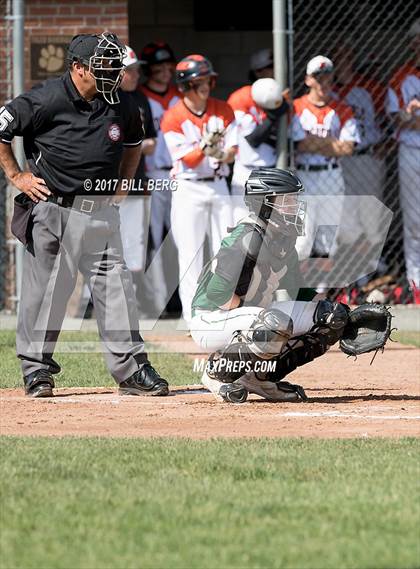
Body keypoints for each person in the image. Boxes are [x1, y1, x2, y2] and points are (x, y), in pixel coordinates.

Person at [0, 32, 169, 397]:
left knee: (118, 290)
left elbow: (133, 144)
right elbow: (2, 128)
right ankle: (37, 371)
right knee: (47, 293)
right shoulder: (46, 98)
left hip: (102, 213)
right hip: (54, 208)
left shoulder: (120, 103)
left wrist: (124, 182)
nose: (113, 72)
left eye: (113, 65)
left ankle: (131, 370)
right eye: (103, 66)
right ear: (78, 68)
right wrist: (17, 175)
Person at [190, 167, 349, 403]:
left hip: (250, 317)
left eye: (293, 199)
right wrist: (256, 321)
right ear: (263, 204)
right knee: (274, 323)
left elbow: (297, 291)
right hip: (211, 318)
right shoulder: (246, 238)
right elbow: (216, 293)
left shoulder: (283, 237)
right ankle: (218, 373)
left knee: (330, 316)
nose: (293, 206)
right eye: (286, 200)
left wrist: (346, 314)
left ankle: (259, 377)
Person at [161, 54, 238, 328]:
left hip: (218, 186)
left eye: (207, 79)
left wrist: (217, 150)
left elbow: (232, 153)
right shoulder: (173, 116)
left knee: (227, 250)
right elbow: (188, 159)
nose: (205, 85)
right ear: (186, 85)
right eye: (199, 81)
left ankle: (224, 313)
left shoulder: (223, 109)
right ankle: (193, 318)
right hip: (188, 188)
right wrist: (206, 147)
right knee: (191, 253)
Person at [291, 55, 360, 262]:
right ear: (308, 80)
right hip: (304, 175)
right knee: (301, 241)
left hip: (332, 175)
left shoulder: (342, 108)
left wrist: (313, 141)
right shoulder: (296, 107)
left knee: (327, 240)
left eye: (328, 78)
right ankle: (297, 290)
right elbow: (299, 144)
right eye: (318, 78)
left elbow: (347, 148)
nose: (324, 83)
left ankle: (319, 292)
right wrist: (330, 143)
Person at [333, 45, 388, 276]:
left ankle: (376, 267)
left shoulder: (370, 87)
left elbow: (388, 120)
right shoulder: (330, 92)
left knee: (371, 215)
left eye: (348, 57)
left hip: (367, 156)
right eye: (340, 58)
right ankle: (355, 267)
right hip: (340, 160)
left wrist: (387, 145)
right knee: (345, 218)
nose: (345, 62)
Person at [118, 45, 161, 316]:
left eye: (136, 70)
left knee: (136, 241)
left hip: (136, 180)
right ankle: (92, 302)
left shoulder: (141, 100)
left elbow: (151, 142)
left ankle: (136, 300)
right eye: (130, 70)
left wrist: (131, 146)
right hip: (106, 183)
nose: (135, 75)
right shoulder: (105, 100)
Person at [139, 42, 179, 314]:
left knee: (179, 240)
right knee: (152, 240)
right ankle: (155, 302)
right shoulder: (140, 97)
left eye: (168, 66)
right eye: (158, 66)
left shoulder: (180, 96)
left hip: (178, 175)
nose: (164, 71)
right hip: (152, 175)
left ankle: (177, 300)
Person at [386, 18, 420, 303]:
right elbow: (397, 118)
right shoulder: (401, 76)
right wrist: (409, 117)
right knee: (414, 220)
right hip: (411, 151)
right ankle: (416, 282)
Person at [228, 77, 289, 223]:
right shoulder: (241, 99)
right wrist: (276, 114)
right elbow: (254, 139)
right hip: (246, 171)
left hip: (272, 170)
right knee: (243, 224)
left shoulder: (277, 98)